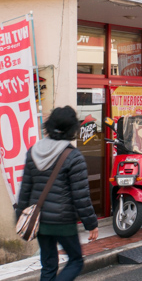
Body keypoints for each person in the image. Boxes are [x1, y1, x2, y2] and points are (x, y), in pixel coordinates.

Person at [16, 107, 99, 281]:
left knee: (48, 264)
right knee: (75, 261)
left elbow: (25, 189)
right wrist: (91, 223)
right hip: (63, 222)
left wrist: (20, 216)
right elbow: (81, 197)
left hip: (39, 220)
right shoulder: (74, 157)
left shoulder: (33, 151)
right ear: (72, 129)